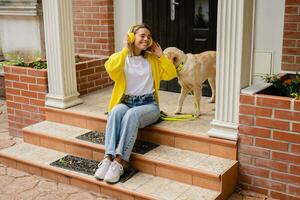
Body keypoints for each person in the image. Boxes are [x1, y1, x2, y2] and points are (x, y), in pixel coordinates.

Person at [94, 23, 177, 183]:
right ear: (132, 37)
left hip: (149, 105)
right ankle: (108, 158)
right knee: (116, 111)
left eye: (148, 36)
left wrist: (161, 56)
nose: (146, 39)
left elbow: (171, 74)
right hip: (127, 101)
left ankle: (119, 161)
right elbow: (110, 68)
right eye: (142, 35)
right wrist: (126, 48)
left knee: (131, 115)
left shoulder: (153, 59)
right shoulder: (121, 57)